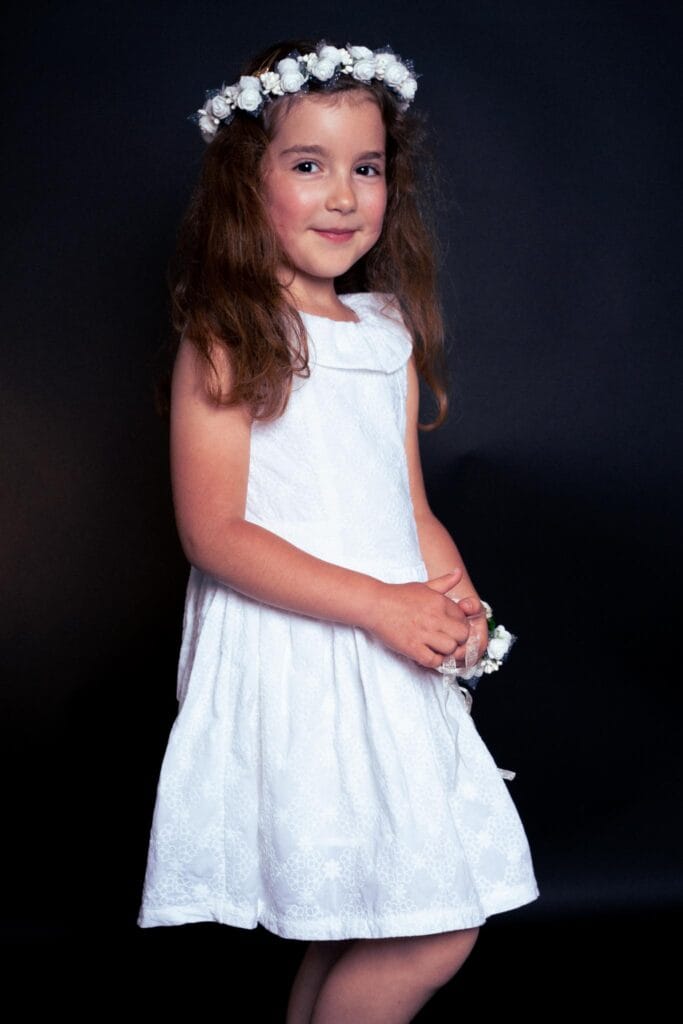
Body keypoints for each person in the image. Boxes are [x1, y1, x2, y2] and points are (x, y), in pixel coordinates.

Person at [137, 37, 540, 1023]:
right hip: (308, 649)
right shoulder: (232, 332)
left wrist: (454, 602)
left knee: (379, 912)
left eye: (364, 168)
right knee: (428, 923)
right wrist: (378, 606)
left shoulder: (386, 334)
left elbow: (407, 506)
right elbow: (215, 534)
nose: (342, 195)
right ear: (246, 182)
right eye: (307, 165)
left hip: (389, 649)